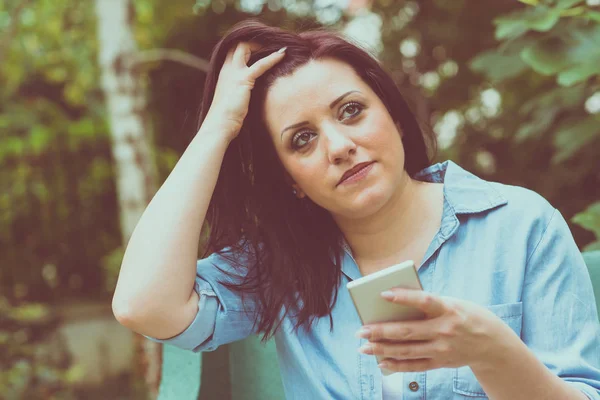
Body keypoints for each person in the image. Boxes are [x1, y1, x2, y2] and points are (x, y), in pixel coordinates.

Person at [112, 19, 600, 399]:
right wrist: (218, 126)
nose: (340, 146)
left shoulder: (521, 227)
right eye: (302, 140)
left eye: (351, 110)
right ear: (290, 181)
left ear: (393, 116)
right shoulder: (281, 265)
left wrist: (492, 352)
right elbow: (142, 304)